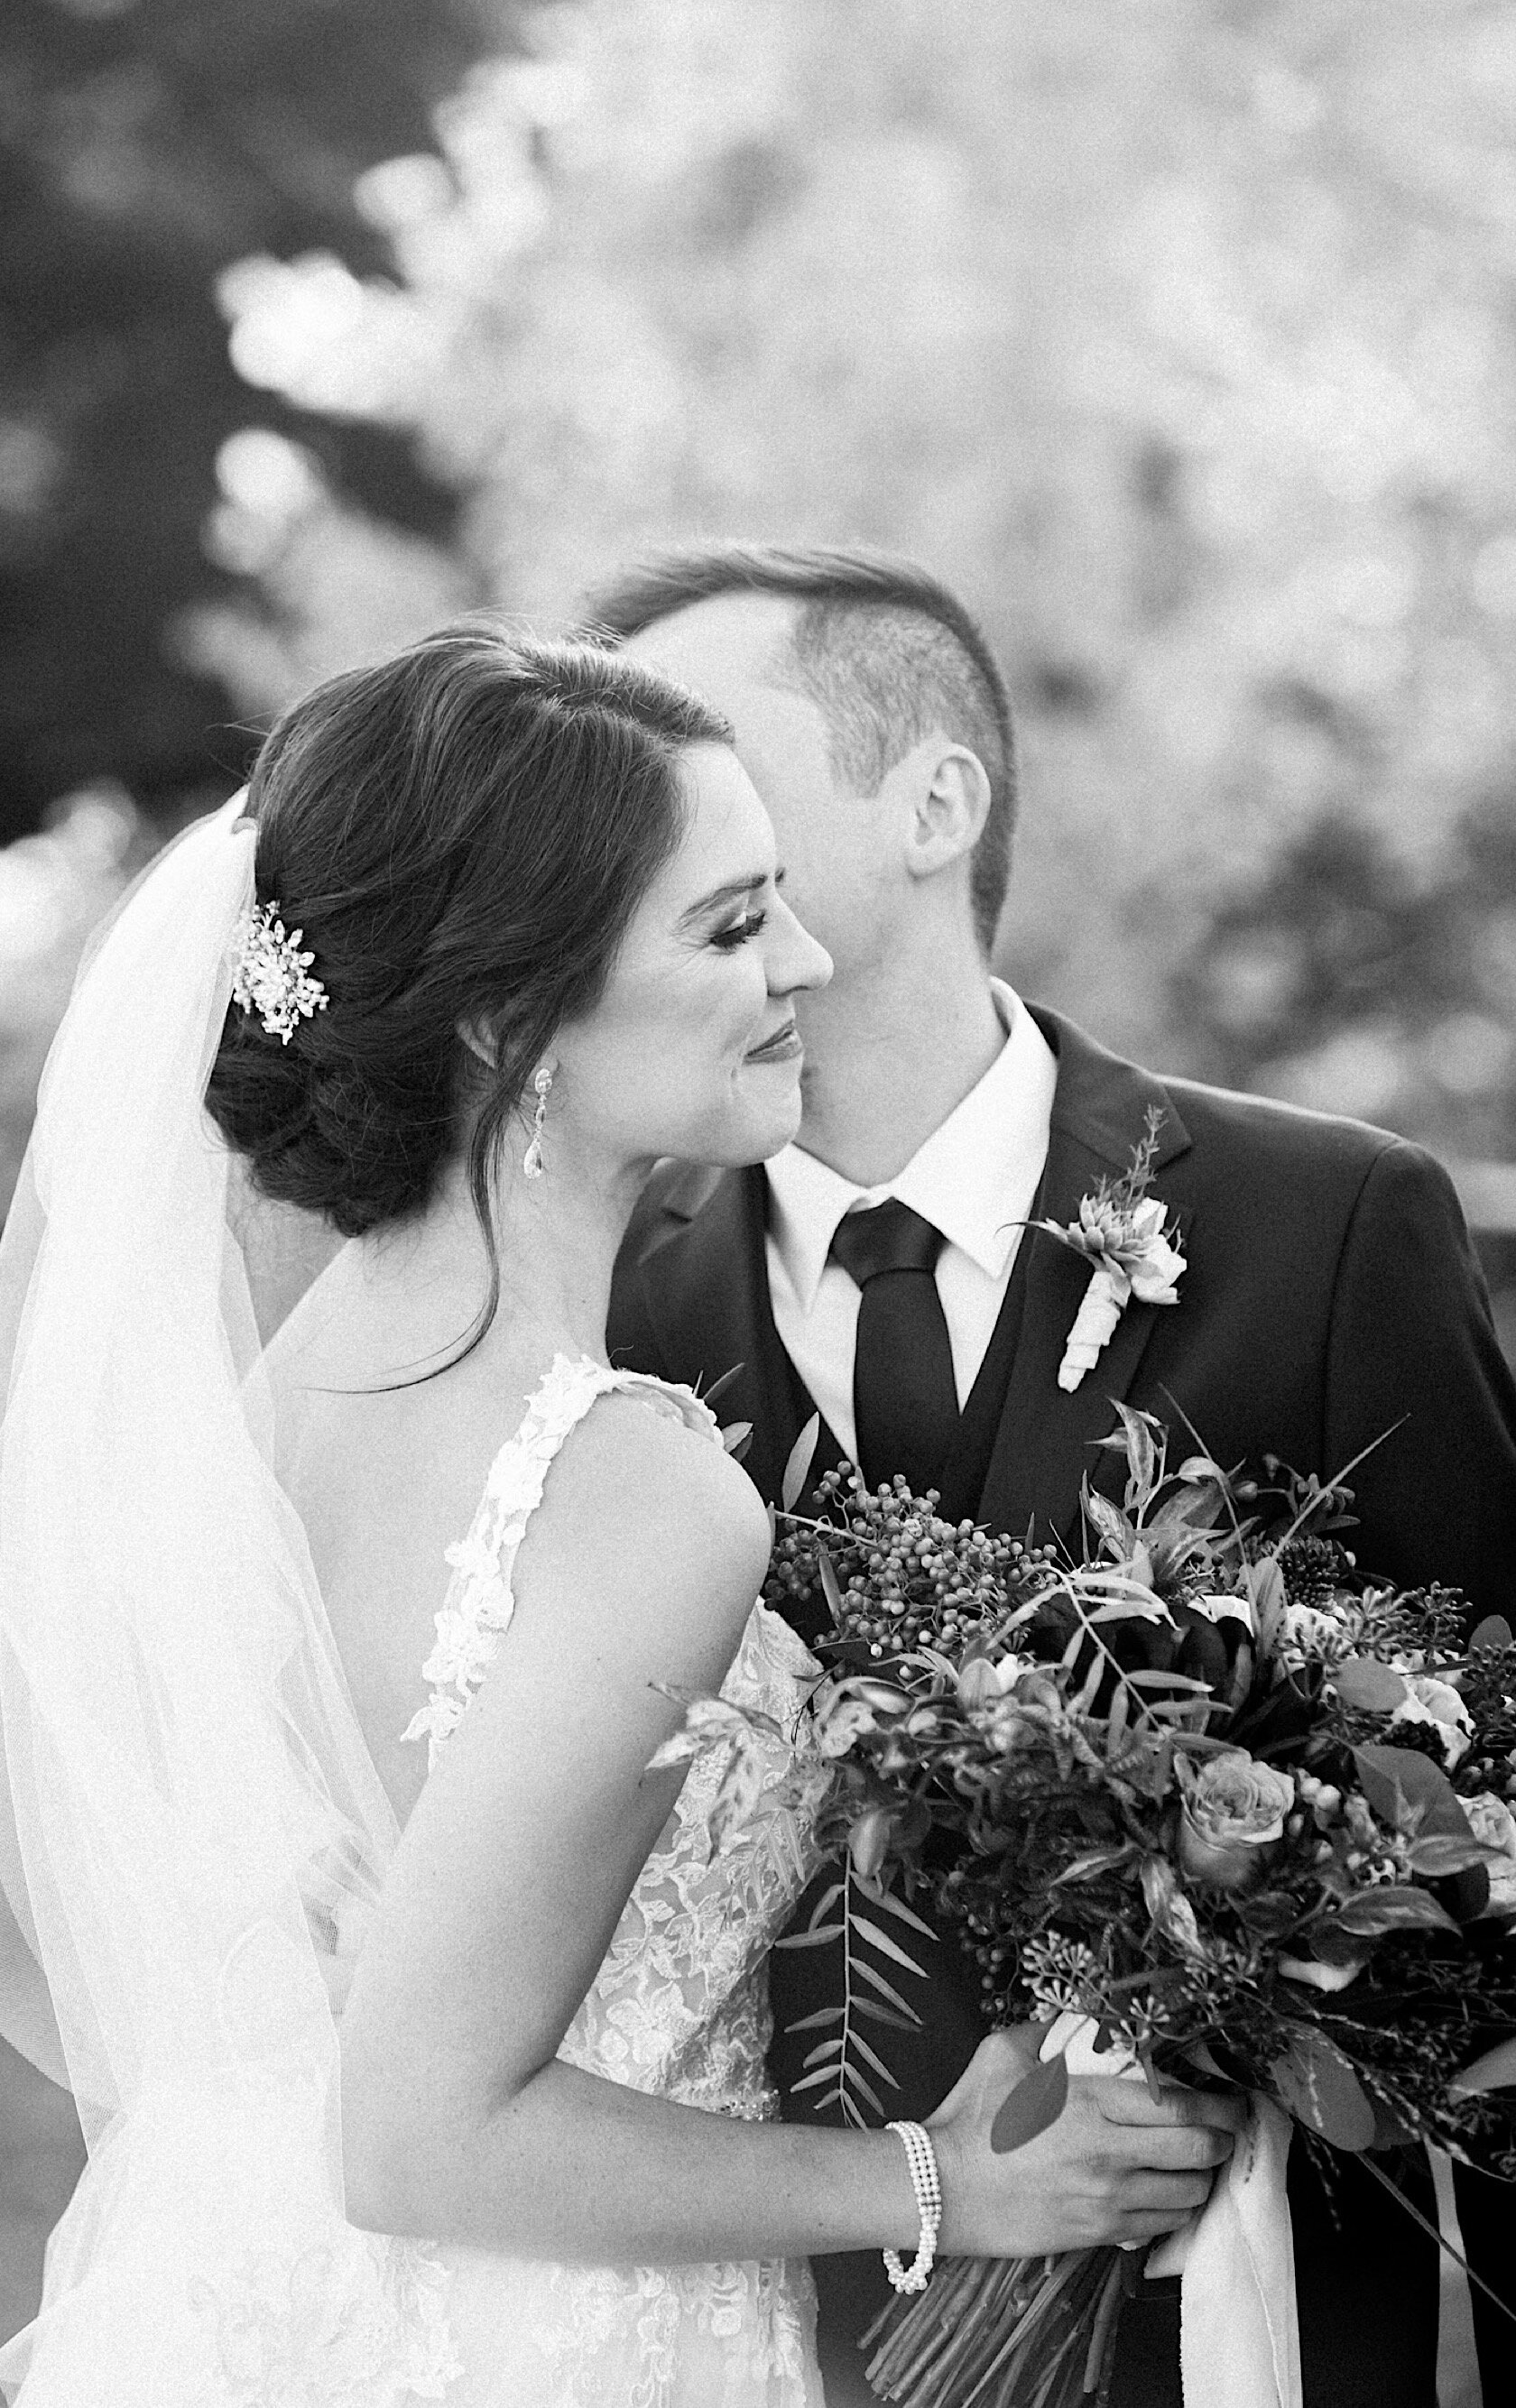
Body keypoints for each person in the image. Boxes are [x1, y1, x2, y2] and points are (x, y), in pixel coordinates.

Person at [0, 624, 1240, 2408]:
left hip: (243, 2318)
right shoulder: (629, 1488)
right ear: (505, 1013)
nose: (808, 958)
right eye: (727, 923)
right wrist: (947, 2185)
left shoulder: (264, 1412)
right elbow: (419, 2135)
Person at [597, 545, 1516, 2408]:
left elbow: (1496, 1846)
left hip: (1245, 2329)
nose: (631, 814)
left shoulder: (1325, 1228)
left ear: (937, 801)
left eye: (696, 747)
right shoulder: (600, 1301)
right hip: (757, 2340)